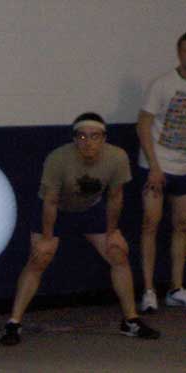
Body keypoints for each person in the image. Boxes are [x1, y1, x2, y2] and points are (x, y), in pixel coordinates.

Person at [0, 113, 160, 346]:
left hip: (90, 209)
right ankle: (14, 323)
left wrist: (112, 231)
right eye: (82, 136)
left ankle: (131, 321)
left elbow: (115, 197)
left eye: (95, 136)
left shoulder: (117, 157)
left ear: (104, 138)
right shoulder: (58, 158)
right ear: (75, 139)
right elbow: (50, 201)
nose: (88, 142)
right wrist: (46, 237)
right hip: (56, 210)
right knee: (40, 257)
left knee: (118, 252)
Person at [137, 32, 186, 312]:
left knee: (181, 226)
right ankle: (148, 290)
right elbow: (143, 125)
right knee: (150, 224)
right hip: (157, 166)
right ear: (178, 53)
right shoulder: (162, 85)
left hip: (182, 168)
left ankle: (176, 288)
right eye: (183, 51)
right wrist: (154, 166)